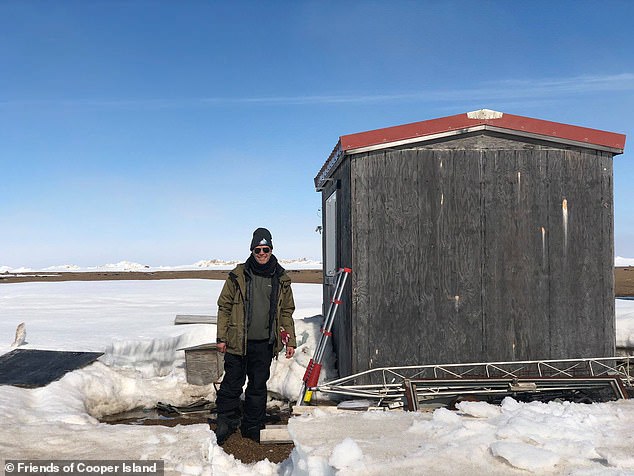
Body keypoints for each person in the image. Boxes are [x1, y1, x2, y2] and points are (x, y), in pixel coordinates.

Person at [214, 227, 297, 444]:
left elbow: (286, 312)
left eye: (265, 249)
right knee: (232, 383)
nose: (262, 253)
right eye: (258, 249)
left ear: (271, 249)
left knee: (258, 386)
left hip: (264, 343)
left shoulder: (281, 278)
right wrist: (221, 338)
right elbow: (224, 307)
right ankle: (226, 421)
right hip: (237, 341)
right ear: (252, 250)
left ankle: (252, 425)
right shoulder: (238, 276)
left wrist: (290, 341)